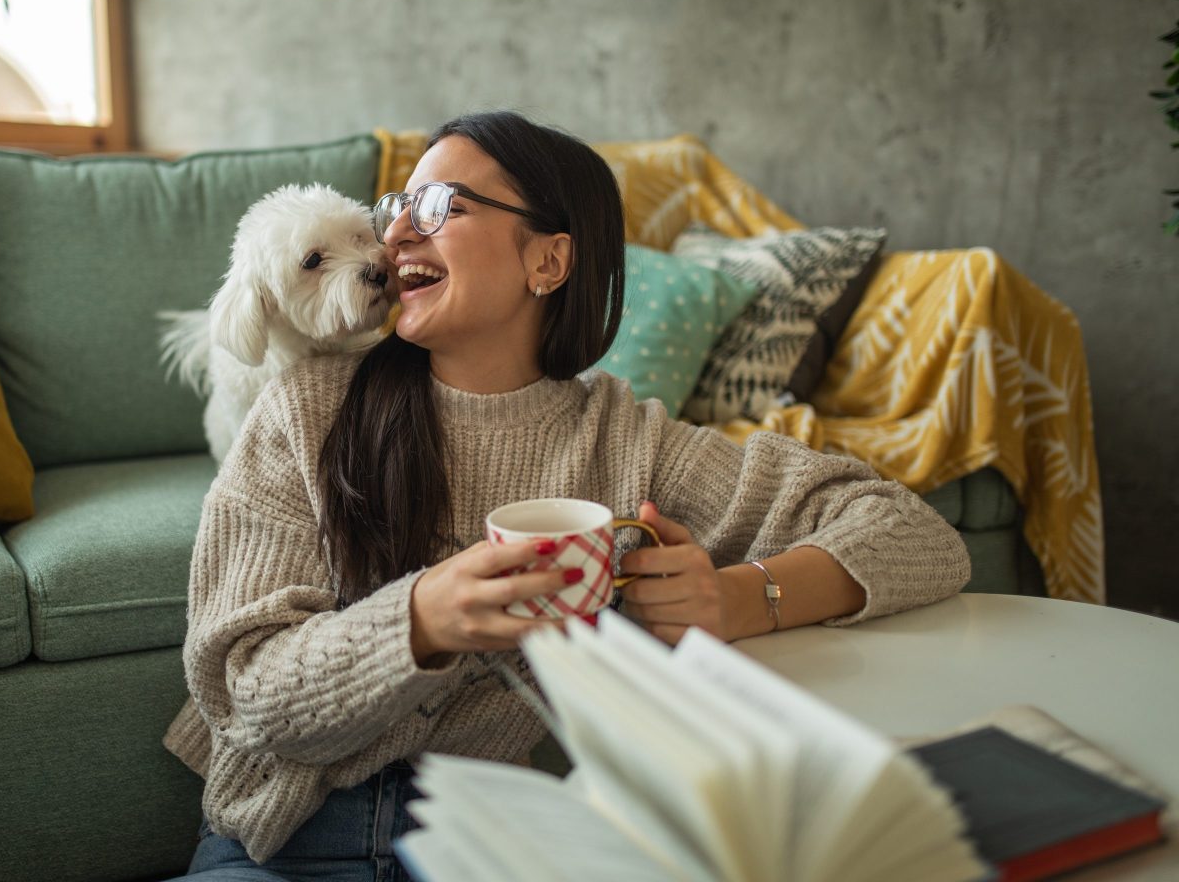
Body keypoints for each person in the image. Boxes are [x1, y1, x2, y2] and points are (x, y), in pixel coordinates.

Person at [160, 111, 969, 880]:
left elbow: (911, 533)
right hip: (281, 842)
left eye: (440, 206)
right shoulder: (307, 408)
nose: (396, 232)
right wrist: (420, 620)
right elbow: (240, 685)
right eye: (397, 206)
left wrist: (736, 598)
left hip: (492, 838)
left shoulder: (628, 441)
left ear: (547, 261)